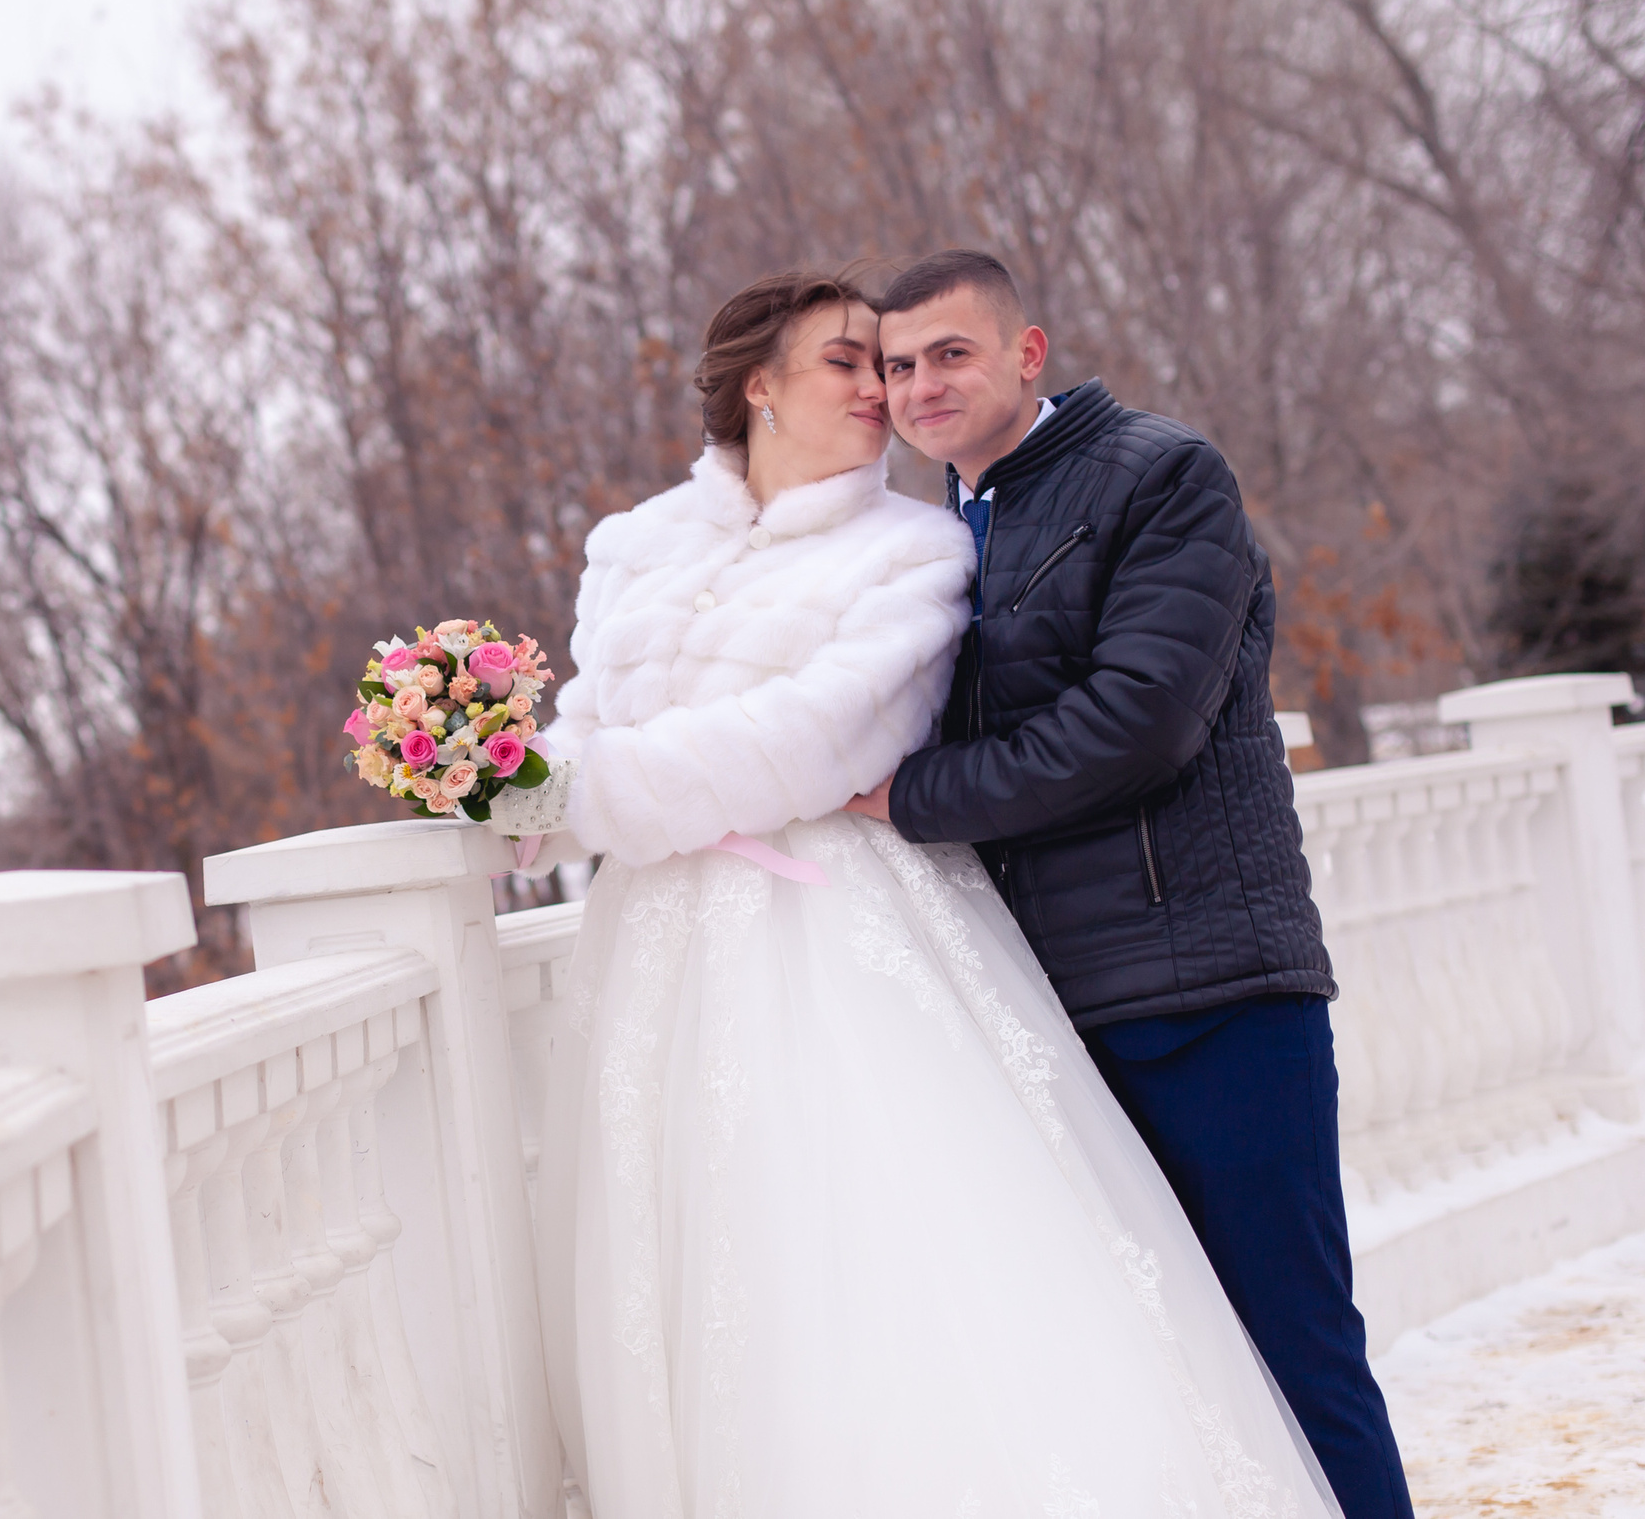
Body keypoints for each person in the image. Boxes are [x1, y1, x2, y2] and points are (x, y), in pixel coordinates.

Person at [506, 266, 1346, 1515]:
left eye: (898, 362)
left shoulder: (917, 545)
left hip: (849, 949)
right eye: (857, 363)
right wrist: (495, 780)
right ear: (759, 386)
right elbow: (586, 718)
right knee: (721, 1293)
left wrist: (584, 803)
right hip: (662, 972)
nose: (886, 390)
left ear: (1022, 351)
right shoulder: (634, 550)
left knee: (929, 1280)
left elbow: (829, 740)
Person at [857, 248, 1413, 1519]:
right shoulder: (932, 537)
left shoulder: (1159, 477)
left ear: (1026, 353)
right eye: (898, 365)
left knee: (1294, 1352)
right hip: (1049, 1019)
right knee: (1153, 1384)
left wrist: (910, 800)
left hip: (1213, 992)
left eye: (951, 353)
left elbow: (1138, 723)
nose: (921, 385)